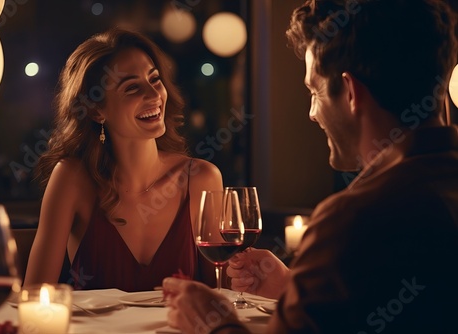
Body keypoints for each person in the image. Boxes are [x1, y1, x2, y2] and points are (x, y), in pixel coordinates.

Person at [162, 0, 458, 332]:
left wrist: (211, 324)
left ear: (350, 93)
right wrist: (294, 288)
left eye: (314, 92)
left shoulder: (352, 220)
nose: (312, 113)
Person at [24, 28, 222, 292]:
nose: (154, 96)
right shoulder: (71, 179)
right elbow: (34, 297)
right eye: (131, 88)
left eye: (154, 80)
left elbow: (222, 295)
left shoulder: (201, 178)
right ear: (96, 110)